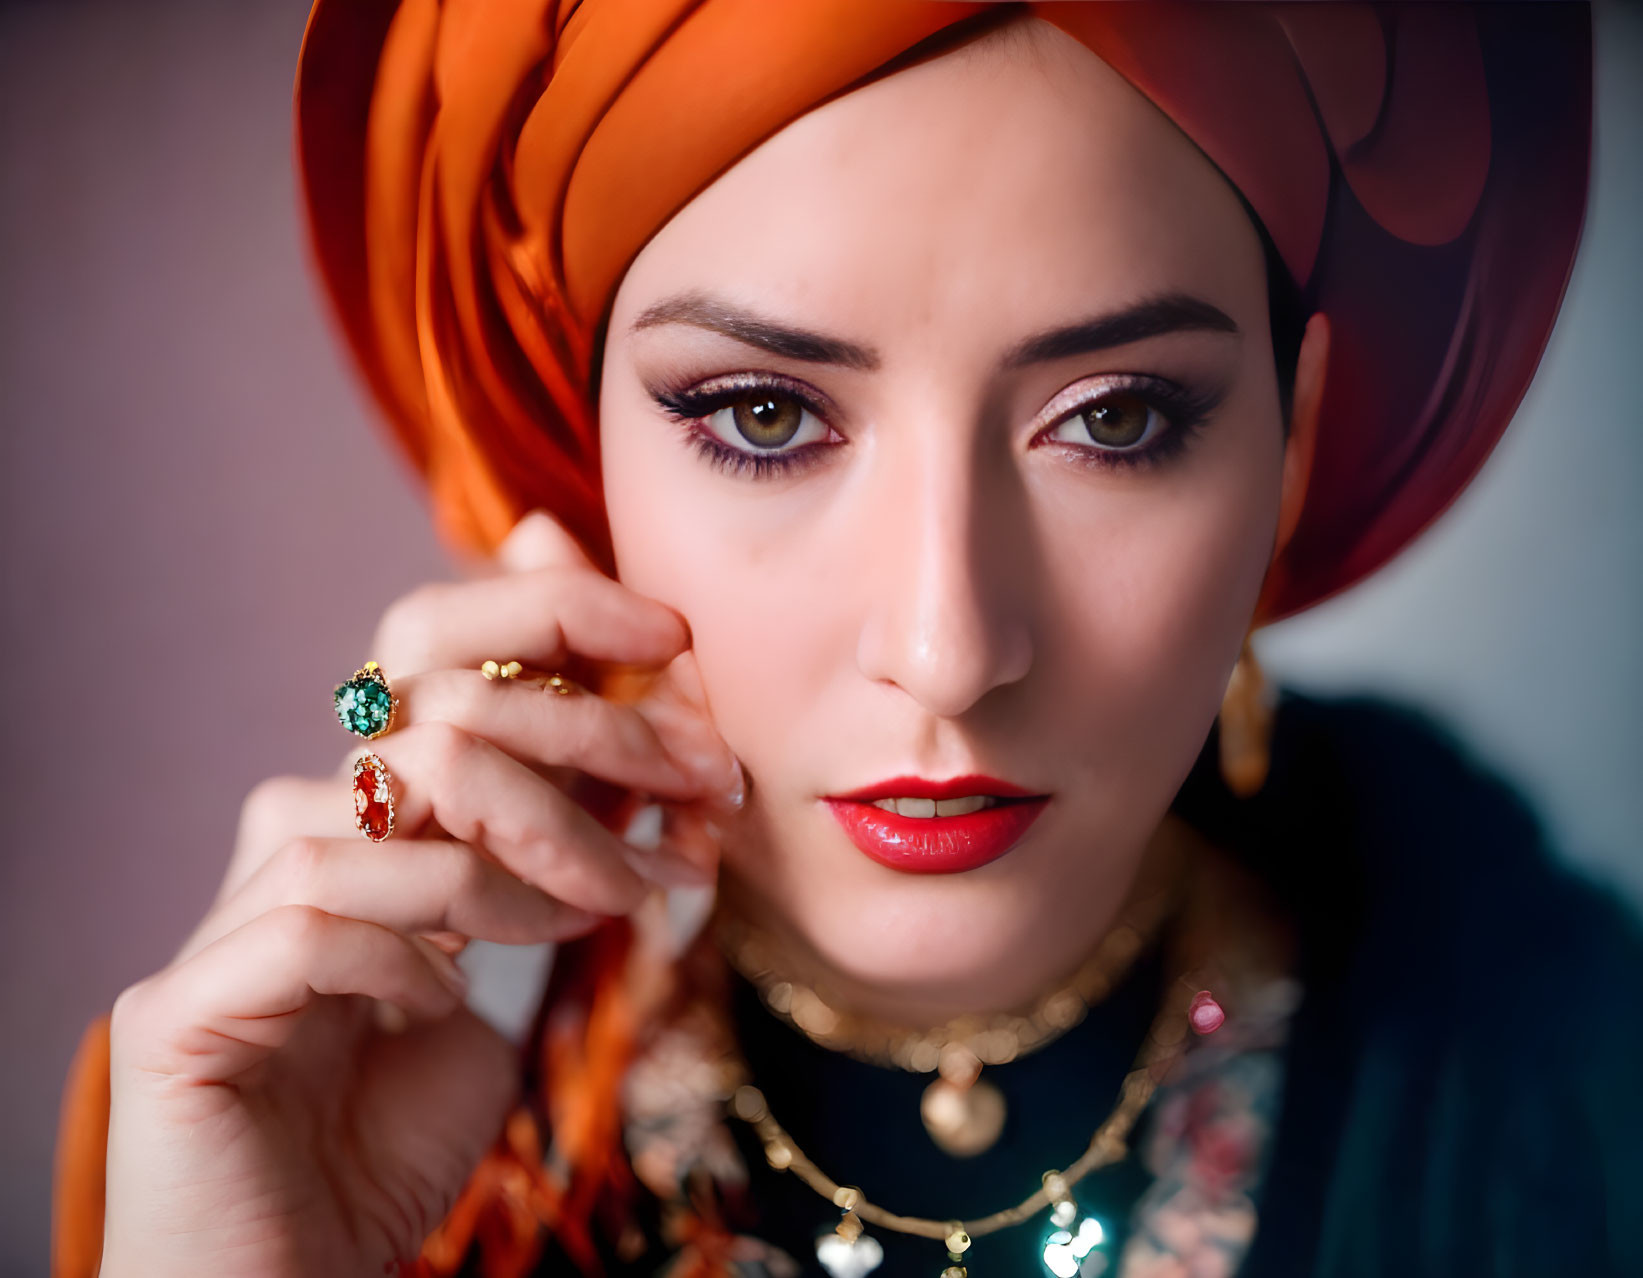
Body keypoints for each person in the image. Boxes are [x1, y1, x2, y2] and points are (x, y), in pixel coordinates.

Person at [52, 3, 1643, 1276]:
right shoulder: (309, 1124)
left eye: (1118, 416)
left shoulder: (1575, 1094)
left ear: (1288, 453)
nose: (948, 651)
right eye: (763, 414)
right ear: (578, 444)